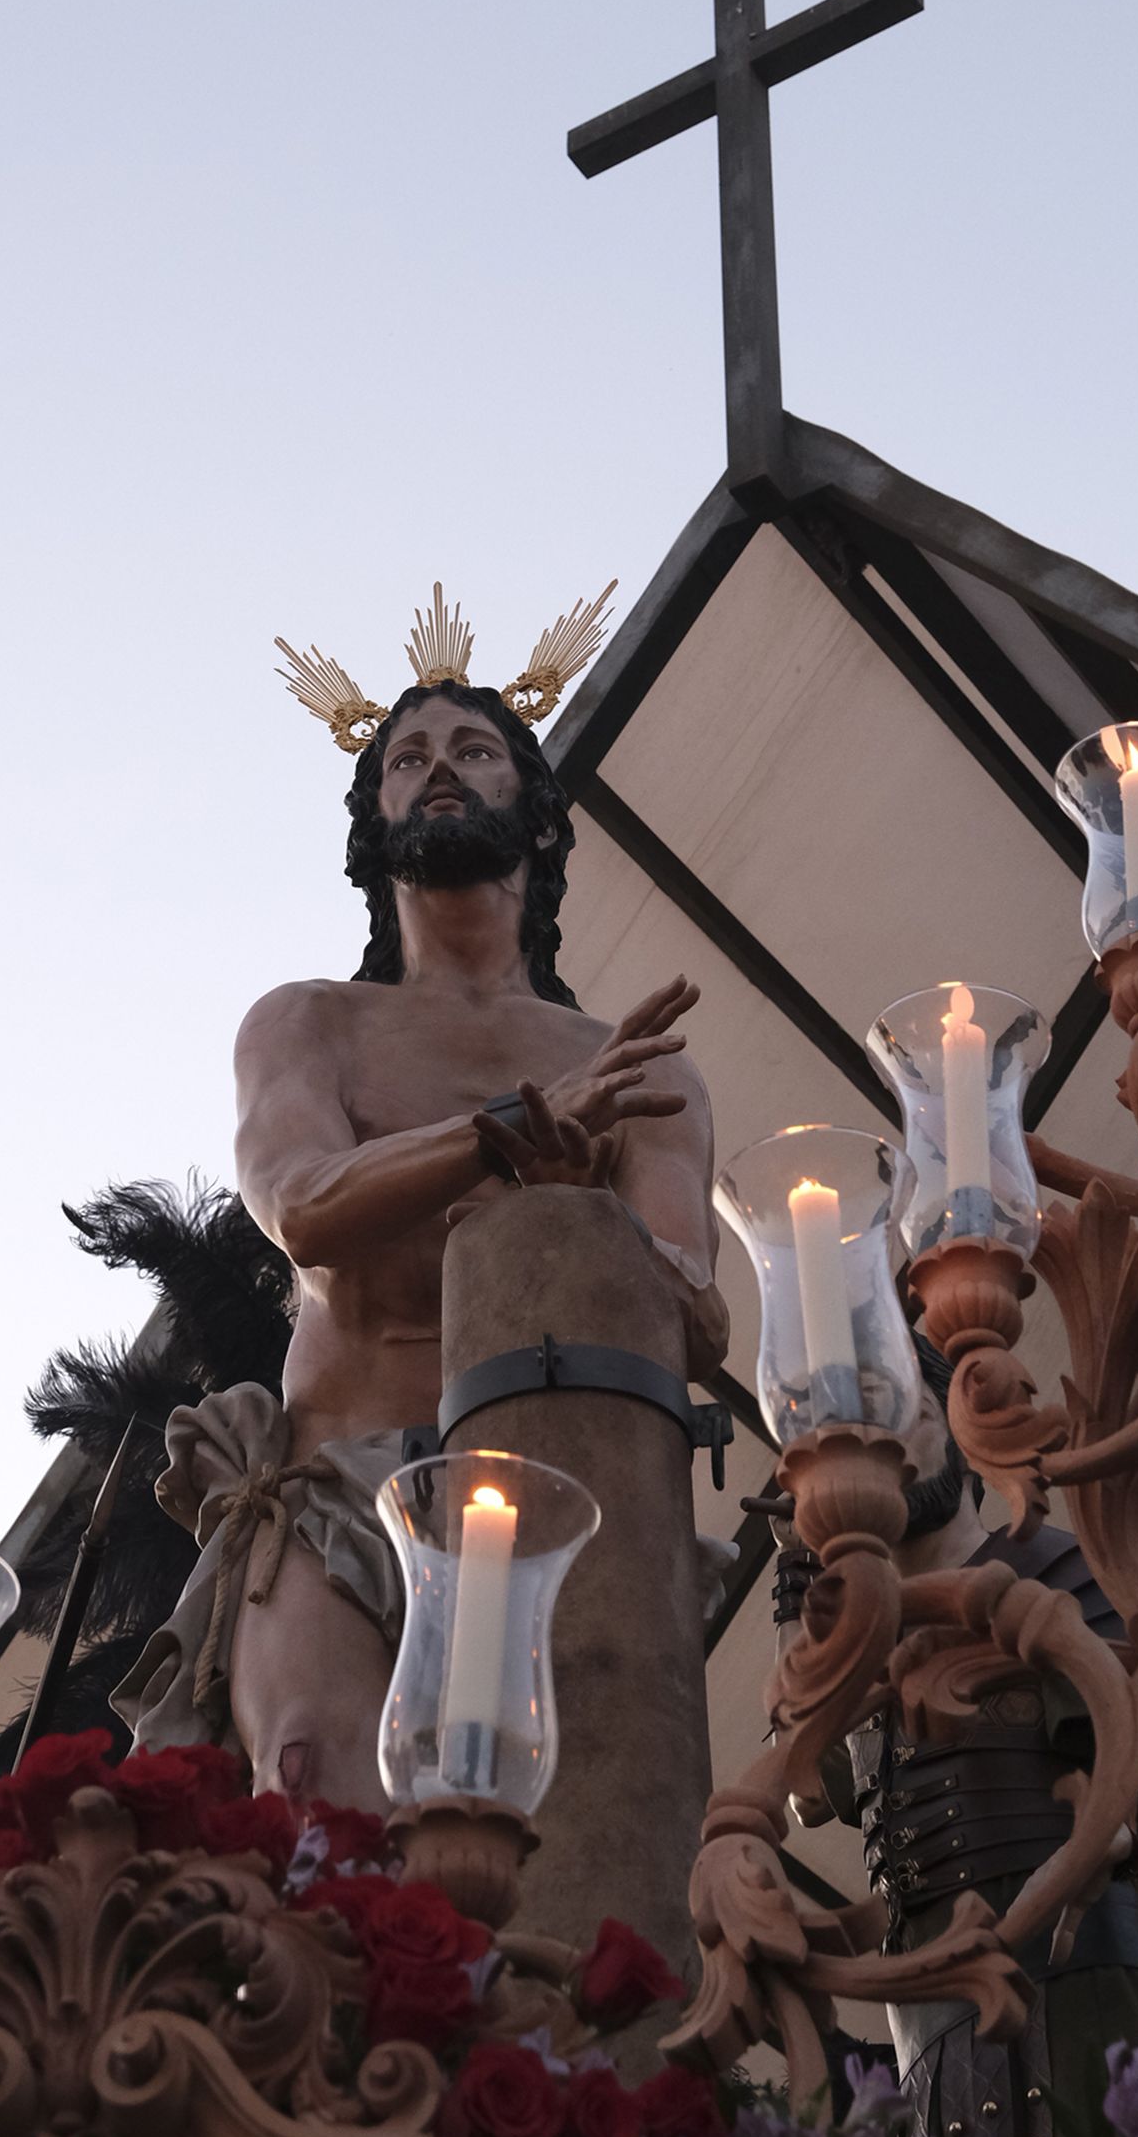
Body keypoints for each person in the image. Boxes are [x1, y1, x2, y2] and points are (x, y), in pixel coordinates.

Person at [115, 662, 727, 1806]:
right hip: (334, 1486)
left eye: (475, 747)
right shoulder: (312, 1023)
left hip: (552, 1516)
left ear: (540, 813)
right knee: (310, 1780)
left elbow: (697, 1321)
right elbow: (300, 1204)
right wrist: (501, 1137)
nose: (439, 763)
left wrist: (581, 1220)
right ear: (374, 826)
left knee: (566, 1874)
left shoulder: (638, 1067)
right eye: (407, 757)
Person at [775, 1338, 1138, 2137]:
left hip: (1076, 1976)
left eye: (908, 1415)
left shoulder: (1045, 1568)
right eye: (861, 1435)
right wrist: (799, 1605)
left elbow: (1134, 1759)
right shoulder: (863, 1649)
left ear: (957, 1430)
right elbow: (805, 1790)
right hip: (927, 2024)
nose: (886, 1447)